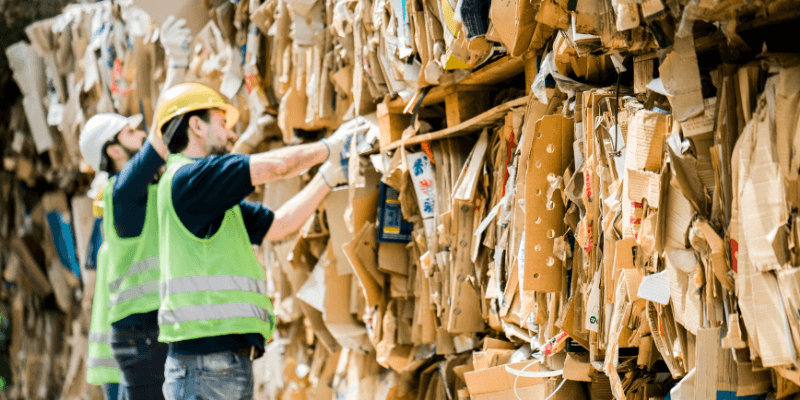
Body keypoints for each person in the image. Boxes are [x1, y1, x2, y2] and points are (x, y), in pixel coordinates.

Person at [153, 82, 352, 399]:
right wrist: (333, 146)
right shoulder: (190, 179)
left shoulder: (207, 197)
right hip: (206, 363)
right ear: (196, 125)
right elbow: (279, 167)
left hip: (217, 361)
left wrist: (327, 176)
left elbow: (279, 225)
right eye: (222, 123)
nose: (231, 135)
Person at [79, 111, 170, 399]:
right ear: (115, 150)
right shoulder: (124, 192)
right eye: (131, 132)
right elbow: (158, 143)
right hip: (144, 331)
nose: (142, 134)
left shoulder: (140, 192)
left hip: (147, 329)